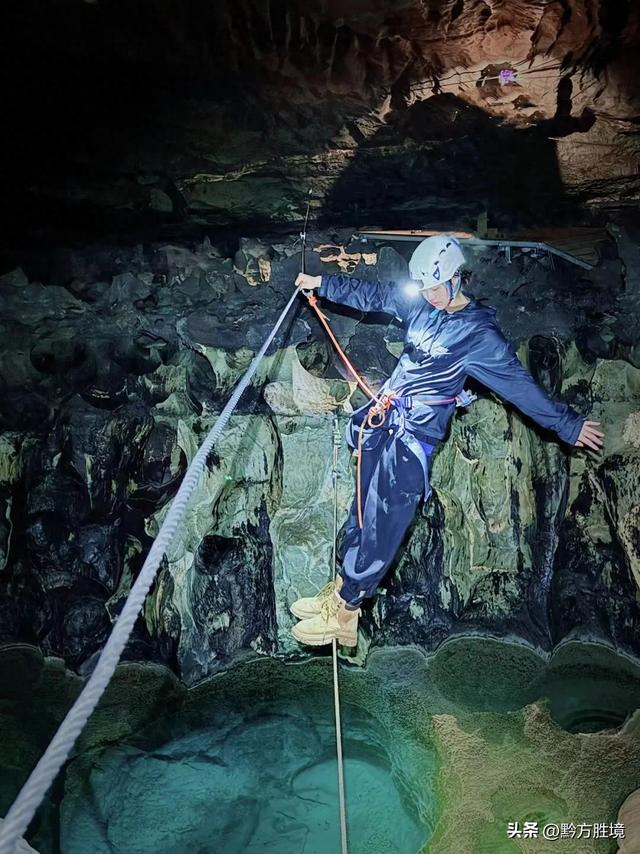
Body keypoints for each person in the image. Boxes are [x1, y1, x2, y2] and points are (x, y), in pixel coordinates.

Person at [288, 235, 604, 647]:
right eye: (425, 288)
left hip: (413, 439)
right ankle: (342, 586)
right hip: (386, 421)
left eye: (437, 287)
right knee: (363, 508)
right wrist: (323, 284)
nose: (431, 296)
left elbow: (520, 388)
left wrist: (567, 425)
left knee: (384, 522)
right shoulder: (420, 303)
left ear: (458, 279)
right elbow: (376, 294)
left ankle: (346, 613)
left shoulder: (480, 337)